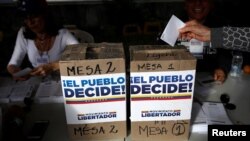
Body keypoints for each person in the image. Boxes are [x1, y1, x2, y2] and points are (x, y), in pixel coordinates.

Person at [7, 0, 79, 81]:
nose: (30, 22)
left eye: (34, 16)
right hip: (37, 81)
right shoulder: (23, 33)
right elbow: (13, 63)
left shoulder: (63, 34)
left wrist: (53, 66)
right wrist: (15, 71)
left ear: (45, 15)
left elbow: (80, 57)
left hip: (62, 80)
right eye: (26, 18)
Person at [179, 20, 250, 82]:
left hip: (211, 82)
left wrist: (222, 69)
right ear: (186, 6)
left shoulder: (219, 25)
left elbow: (225, 54)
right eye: (192, 3)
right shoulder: (177, 29)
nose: (197, 4)